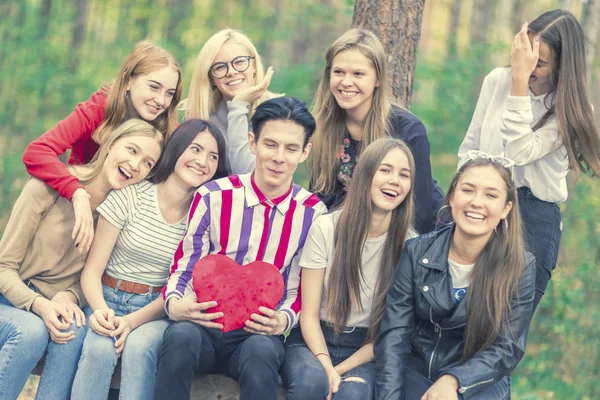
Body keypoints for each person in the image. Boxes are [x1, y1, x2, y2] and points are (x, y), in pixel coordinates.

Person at [152, 97, 327, 400]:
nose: (279, 157)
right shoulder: (213, 196)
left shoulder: (312, 213)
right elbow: (186, 263)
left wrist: (282, 319)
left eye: (291, 148)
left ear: (305, 152)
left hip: (256, 335)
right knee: (180, 336)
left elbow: (300, 289)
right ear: (252, 142)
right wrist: (177, 304)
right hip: (203, 325)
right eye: (270, 144)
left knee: (261, 351)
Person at [0, 119, 163, 400]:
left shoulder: (119, 215)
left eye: (148, 163)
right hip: (9, 301)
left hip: (56, 309)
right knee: (31, 331)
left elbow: (93, 276)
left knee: (74, 326)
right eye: (132, 150)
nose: (136, 165)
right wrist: (39, 305)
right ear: (110, 145)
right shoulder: (47, 187)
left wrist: (71, 297)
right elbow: (3, 267)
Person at [70, 120, 228, 400]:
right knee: (98, 348)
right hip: (104, 298)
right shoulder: (130, 195)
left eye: (213, 156)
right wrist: (101, 311)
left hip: (155, 309)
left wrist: (132, 320)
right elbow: (92, 271)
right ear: (177, 148)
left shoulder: (205, 216)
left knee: (140, 347)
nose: (202, 161)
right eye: (195, 149)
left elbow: (179, 287)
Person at [457, 10, 600, 311]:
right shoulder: (497, 80)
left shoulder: (572, 109)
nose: (528, 67)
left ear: (563, 65)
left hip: (533, 219)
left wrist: (519, 84)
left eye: (540, 63)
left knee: (505, 327)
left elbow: (519, 151)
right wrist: (461, 197)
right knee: (459, 314)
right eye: (526, 56)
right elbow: (470, 147)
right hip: (482, 204)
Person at [375, 153, 536, 400]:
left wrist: (455, 381)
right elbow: (394, 337)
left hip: (479, 381)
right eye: (468, 190)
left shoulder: (520, 266)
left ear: (506, 209)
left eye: (491, 195)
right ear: (451, 197)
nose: (476, 202)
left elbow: (507, 347)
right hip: (417, 371)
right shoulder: (416, 252)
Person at [281, 138, 417, 400]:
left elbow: (389, 332)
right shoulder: (326, 227)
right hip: (314, 338)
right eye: (385, 170)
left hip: (366, 349)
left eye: (404, 174)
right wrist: (325, 366)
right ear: (365, 174)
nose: (394, 181)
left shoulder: (410, 245)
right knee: (311, 382)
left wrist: (337, 372)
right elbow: (308, 315)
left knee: (351, 393)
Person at [22, 40, 182, 255]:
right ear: (128, 81)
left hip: (121, 227)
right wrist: (77, 193)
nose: (161, 100)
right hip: (78, 208)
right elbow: (38, 152)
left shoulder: (167, 130)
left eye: (170, 93)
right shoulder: (98, 109)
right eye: (154, 87)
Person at [309, 28, 443, 234]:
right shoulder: (322, 126)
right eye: (338, 72)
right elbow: (321, 196)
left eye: (358, 74)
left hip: (407, 236)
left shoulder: (407, 130)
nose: (346, 82)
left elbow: (420, 210)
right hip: (347, 232)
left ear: (378, 79)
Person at [185, 28, 278, 174]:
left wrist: (239, 106)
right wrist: (239, 106)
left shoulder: (279, 112)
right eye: (220, 67)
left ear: (253, 66)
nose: (232, 72)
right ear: (211, 78)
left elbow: (247, 174)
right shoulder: (201, 114)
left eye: (240, 61)